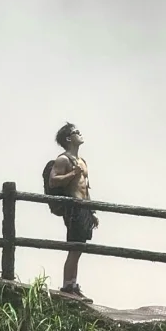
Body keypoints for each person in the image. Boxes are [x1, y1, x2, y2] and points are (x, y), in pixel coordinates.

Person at [48, 123, 98, 302]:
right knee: (74, 248)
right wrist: (73, 173)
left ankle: (73, 284)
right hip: (73, 209)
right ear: (69, 138)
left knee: (79, 248)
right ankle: (68, 286)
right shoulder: (63, 160)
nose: (80, 133)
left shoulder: (83, 161)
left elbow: (86, 187)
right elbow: (53, 181)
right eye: (76, 132)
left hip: (84, 208)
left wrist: (92, 211)